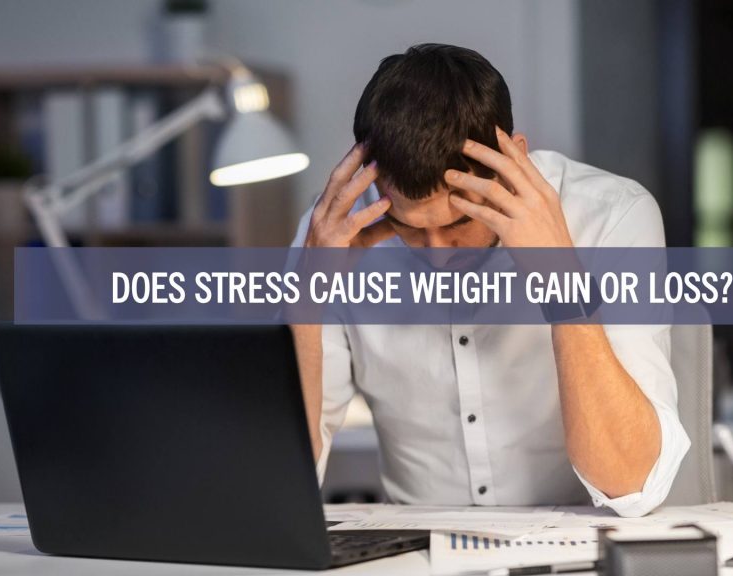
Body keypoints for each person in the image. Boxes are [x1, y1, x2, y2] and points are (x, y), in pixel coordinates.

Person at [291, 44, 688, 517]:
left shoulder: (611, 216)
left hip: (577, 540)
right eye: (408, 227)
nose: (438, 257)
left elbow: (632, 483)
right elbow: (285, 476)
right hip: (416, 544)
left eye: (460, 222)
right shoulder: (333, 235)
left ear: (513, 160)